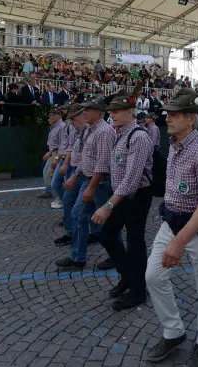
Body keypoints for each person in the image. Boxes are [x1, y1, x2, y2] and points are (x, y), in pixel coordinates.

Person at [144, 88, 198, 367]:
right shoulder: (176, 144)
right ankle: (173, 331)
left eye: (175, 115)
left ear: (192, 119)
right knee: (153, 276)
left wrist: (179, 241)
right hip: (172, 221)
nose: (169, 119)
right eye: (168, 114)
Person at [92, 87, 155, 311]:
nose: (113, 115)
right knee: (106, 235)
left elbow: (132, 179)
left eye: (118, 111)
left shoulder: (138, 137)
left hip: (137, 196)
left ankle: (138, 291)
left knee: (135, 242)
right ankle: (128, 276)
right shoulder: (119, 134)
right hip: (121, 196)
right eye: (111, 111)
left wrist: (108, 205)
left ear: (131, 112)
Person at [57, 96, 115, 269]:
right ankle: (78, 257)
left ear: (98, 112)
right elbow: (86, 158)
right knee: (79, 216)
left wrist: (91, 186)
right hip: (89, 180)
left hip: (99, 182)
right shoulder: (90, 129)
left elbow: (103, 165)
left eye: (87, 110)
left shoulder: (103, 132)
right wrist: (76, 175)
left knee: (107, 220)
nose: (84, 113)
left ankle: (115, 255)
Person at [56, 105, 87, 246]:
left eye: (73, 119)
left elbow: (86, 157)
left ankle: (93, 235)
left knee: (84, 209)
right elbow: (72, 149)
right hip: (76, 170)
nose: (72, 122)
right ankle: (71, 233)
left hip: (84, 173)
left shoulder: (88, 130)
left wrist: (73, 173)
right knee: (68, 201)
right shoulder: (76, 129)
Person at [40, 109, 67, 199]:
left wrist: (55, 157)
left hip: (58, 153)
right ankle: (51, 192)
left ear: (57, 115)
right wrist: (50, 152)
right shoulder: (54, 126)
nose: (49, 118)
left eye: (51, 116)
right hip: (53, 152)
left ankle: (59, 197)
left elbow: (62, 144)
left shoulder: (62, 127)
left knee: (50, 175)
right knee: (47, 173)